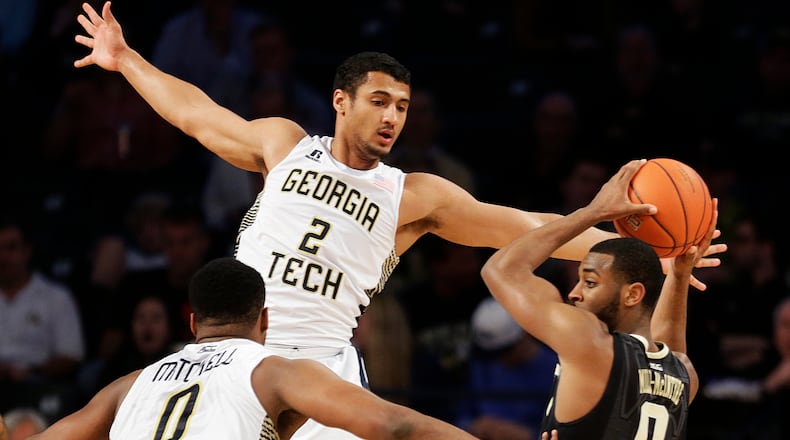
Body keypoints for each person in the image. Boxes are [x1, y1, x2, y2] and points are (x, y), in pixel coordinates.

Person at [73, 4, 722, 438]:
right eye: (379, 101)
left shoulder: (413, 194)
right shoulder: (283, 143)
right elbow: (196, 113)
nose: (392, 117)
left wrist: (644, 249)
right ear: (341, 102)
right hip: (244, 353)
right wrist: (126, 59)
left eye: (403, 107)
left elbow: (525, 224)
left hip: (324, 367)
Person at [24, 257, 478, 440]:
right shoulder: (272, 371)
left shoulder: (131, 385)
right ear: (264, 319)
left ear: (192, 323)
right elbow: (394, 424)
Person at [480, 159, 720, 439]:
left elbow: (502, 269)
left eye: (590, 282)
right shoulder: (684, 376)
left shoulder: (588, 342)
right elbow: (669, 349)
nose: (574, 293)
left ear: (632, 294)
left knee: (419, 428)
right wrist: (679, 273)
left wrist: (594, 212)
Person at [456, 297, 557, 440]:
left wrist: (528, 435)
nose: (499, 359)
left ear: (524, 334)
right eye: (491, 354)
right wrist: (472, 426)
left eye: (505, 351)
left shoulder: (557, 371)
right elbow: (460, 415)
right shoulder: (481, 365)